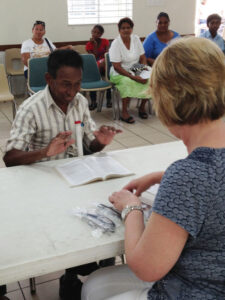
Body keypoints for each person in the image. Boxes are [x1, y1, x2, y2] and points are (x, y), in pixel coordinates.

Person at [81, 37, 225, 299]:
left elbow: (146, 267)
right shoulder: (195, 172)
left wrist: (131, 208)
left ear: (167, 101)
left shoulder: (189, 175)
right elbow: (215, 183)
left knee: (94, 288)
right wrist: (165, 176)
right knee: (97, 284)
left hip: (196, 291)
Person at [3, 49, 121, 300]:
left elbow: (89, 146)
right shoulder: (31, 109)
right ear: (48, 79)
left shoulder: (79, 102)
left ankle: (90, 274)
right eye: (66, 84)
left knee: (106, 219)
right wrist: (46, 151)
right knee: (75, 228)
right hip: (43, 187)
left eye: (77, 84)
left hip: (76, 180)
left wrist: (100, 141)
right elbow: (10, 158)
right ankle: (76, 276)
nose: (72, 91)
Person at [109, 17, 150, 124]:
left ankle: (142, 107)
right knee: (127, 82)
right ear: (119, 30)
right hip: (119, 71)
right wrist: (133, 77)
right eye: (123, 28)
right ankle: (124, 112)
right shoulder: (116, 43)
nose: (126, 30)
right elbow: (117, 66)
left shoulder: (136, 39)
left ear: (132, 29)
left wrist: (144, 71)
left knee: (150, 79)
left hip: (135, 68)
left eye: (128, 27)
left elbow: (143, 57)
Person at [85, 24, 111, 110]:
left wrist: (103, 62)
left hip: (105, 65)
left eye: (98, 33)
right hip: (95, 66)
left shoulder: (105, 41)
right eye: (93, 32)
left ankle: (109, 100)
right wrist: (95, 45)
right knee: (94, 74)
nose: (95, 34)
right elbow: (93, 57)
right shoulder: (88, 45)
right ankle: (93, 101)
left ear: (101, 34)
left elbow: (107, 55)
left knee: (109, 74)